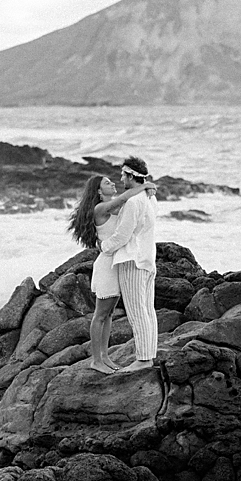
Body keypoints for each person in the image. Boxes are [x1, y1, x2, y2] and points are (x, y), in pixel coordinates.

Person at [68, 169, 155, 374]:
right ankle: (96, 360)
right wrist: (143, 185)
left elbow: (132, 210)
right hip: (107, 264)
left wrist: (148, 192)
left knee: (108, 315)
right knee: (100, 314)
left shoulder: (113, 207)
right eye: (107, 183)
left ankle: (105, 356)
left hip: (116, 262)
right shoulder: (101, 208)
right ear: (98, 191)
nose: (113, 184)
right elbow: (125, 198)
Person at [101, 157, 159, 373]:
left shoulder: (134, 202)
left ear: (132, 176)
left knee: (137, 312)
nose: (120, 178)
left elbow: (122, 236)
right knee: (148, 309)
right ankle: (149, 355)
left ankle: (143, 359)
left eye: (124, 175)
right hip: (147, 258)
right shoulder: (150, 198)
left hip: (132, 260)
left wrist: (104, 246)